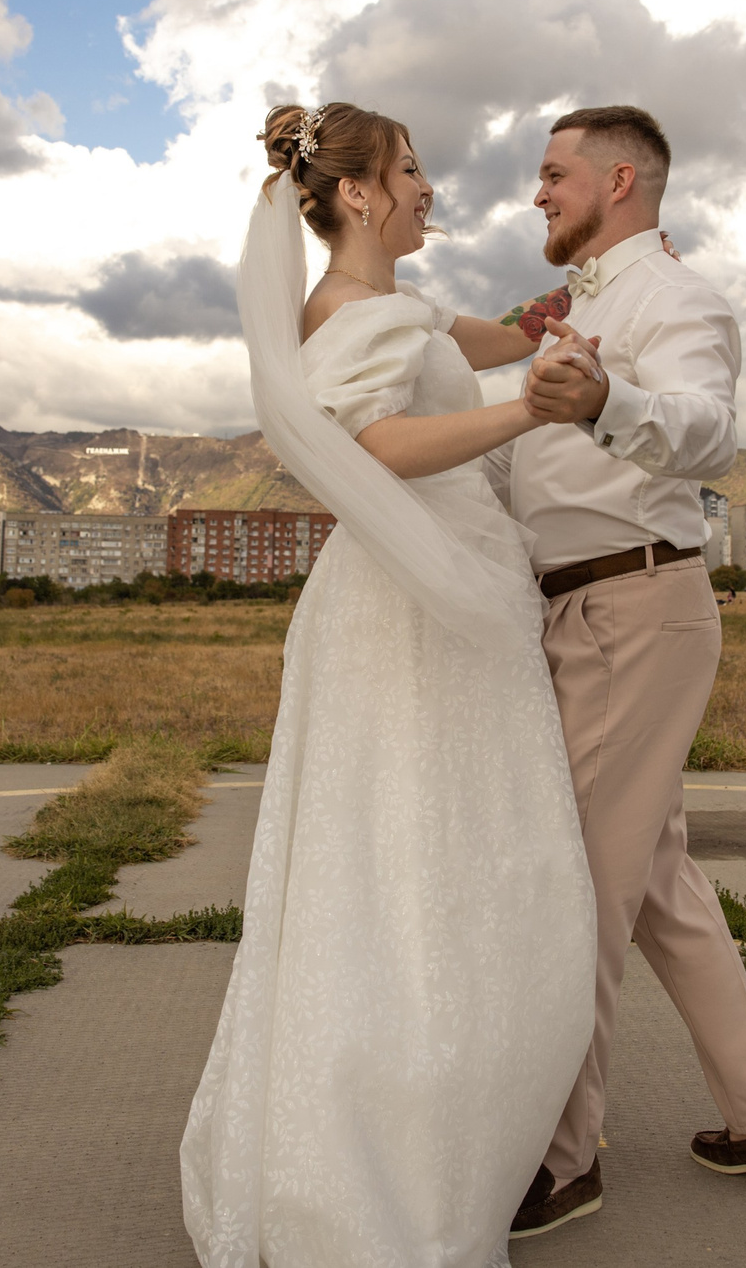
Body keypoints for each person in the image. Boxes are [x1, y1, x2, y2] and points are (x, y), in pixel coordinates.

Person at [181, 102, 599, 1268]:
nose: (429, 191)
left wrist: (544, 322)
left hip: (432, 595)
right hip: (415, 618)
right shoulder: (348, 316)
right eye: (413, 173)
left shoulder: (389, 309)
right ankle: (383, 1158)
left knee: (429, 861)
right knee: (418, 866)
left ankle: (424, 1123)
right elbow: (376, 446)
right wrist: (534, 404)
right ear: (358, 194)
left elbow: (465, 339)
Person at [495, 105, 746, 1242]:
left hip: (631, 607)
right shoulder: (579, 304)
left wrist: (607, 403)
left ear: (618, 179)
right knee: (659, 885)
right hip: (590, 606)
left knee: (580, 889)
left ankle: (563, 1158)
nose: (535, 194)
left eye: (551, 174)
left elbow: (706, 431)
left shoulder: (677, 300)